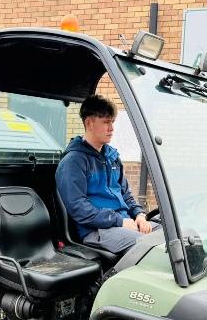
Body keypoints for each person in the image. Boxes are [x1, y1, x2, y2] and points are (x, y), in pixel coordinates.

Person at [55, 94, 152, 254]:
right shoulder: (74, 161)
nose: (112, 128)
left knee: (172, 236)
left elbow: (126, 195)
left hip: (124, 223)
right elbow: (79, 208)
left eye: (112, 122)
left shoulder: (112, 157)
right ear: (89, 123)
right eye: (106, 122)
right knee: (149, 247)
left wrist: (139, 215)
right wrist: (119, 221)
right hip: (96, 231)